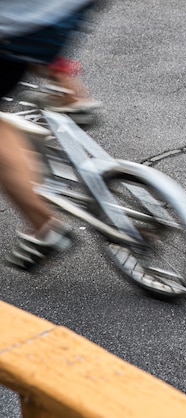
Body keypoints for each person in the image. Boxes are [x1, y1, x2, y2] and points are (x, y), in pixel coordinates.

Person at [0, 0, 98, 270]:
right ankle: (70, 94)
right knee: (35, 33)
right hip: (70, 8)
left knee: (18, 34)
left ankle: (45, 229)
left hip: (19, 25)